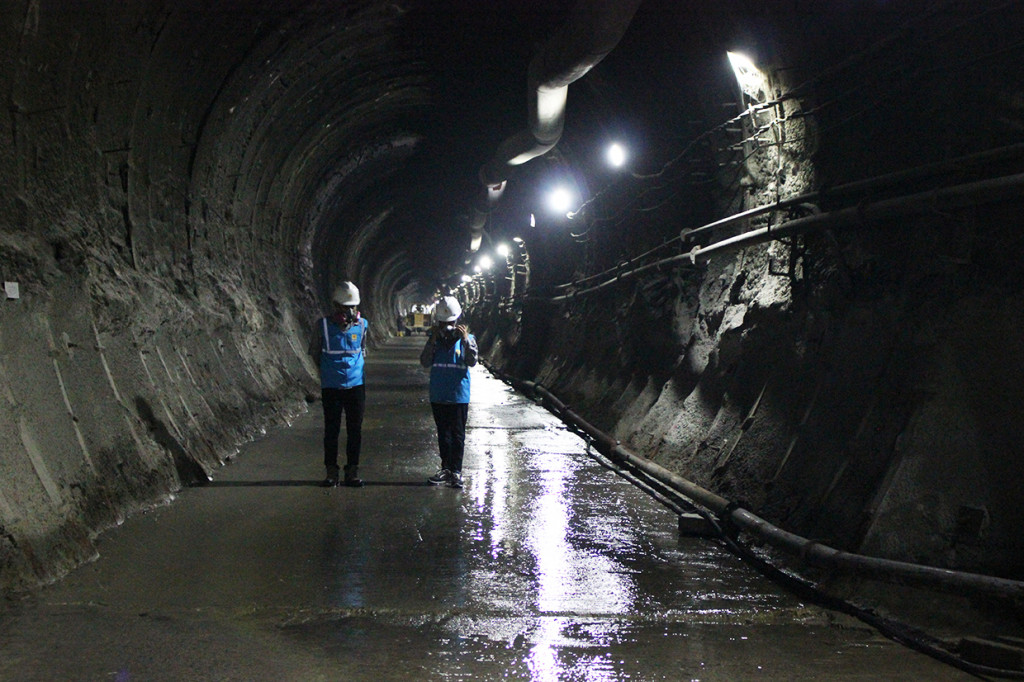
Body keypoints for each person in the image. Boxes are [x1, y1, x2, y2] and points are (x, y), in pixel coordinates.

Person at [308, 281, 368, 487]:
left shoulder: (362, 325)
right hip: (332, 387)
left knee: (355, 430)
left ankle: (352, 470)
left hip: (356, 387)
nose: (349, 311)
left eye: (352, 307)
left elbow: (363, 349)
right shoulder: (322, 326)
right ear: (336, 306)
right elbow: (315, 353)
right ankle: (331, 471)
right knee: (331, 430)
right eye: (344, 307)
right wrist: (327, 372)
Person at [420, 295, 478, 489]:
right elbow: (425, 362)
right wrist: (433, 340)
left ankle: (457, 472)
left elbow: (472, 361)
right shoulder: (434, 341)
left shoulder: (467, 340)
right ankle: (445, 469)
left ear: (457, 321)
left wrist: (465, 340)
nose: (447, 326)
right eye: (443, 323)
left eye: (450, 322)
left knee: (458, 435)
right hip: (438, 395)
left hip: (458, 396)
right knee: (443, 434)